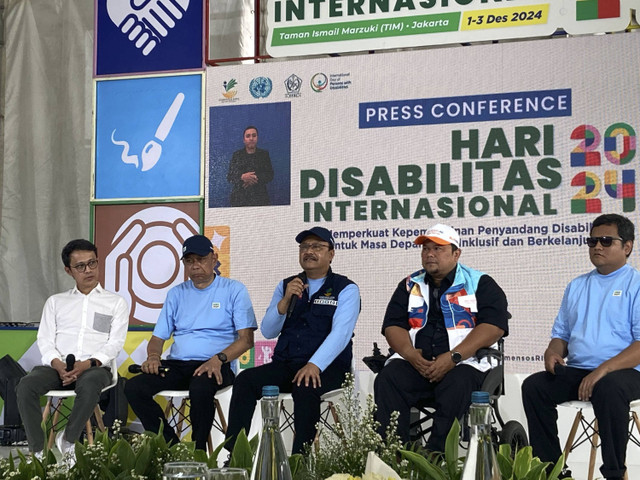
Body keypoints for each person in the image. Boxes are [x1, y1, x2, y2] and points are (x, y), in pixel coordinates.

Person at [522, 214, 640, 480]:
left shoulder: (636, 284)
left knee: (609, 388)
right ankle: (552, 470)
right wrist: (553, 351)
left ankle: (614, 473)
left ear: (627, 247)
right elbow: (561, 335)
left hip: (627, 372)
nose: (597, 246)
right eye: (592, 241)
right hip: (581, 371)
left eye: (606, 241)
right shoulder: (577, 285)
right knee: (534, 386)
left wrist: (601, 372)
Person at [225, 226, 360, 454]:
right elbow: (268, 331)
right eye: (304, 247)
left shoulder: (345, 289)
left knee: (305, 384)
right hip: (287, 365)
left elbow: (341, 334)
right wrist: (285, 300)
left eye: (317, 246)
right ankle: (235, 455)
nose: (309, 251)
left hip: (328, 369)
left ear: (331, 254)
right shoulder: (287, 285)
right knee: (245, 381)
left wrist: (314, 365)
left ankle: (300, 462)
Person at [374, 223, 509, 451]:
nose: (429, 254)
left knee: (459, 382)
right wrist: (410, 355)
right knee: (388, 378)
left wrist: (453, 357)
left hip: (466, 363)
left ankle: (435, 457)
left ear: (456, 253)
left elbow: (494, 326)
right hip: (418, 365)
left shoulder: (480, 283)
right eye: (426, 249)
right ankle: (392, 454)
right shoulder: (409, 285)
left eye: (438, 248)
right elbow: (392, 326)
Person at [124, 234, 257, 451]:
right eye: (189, 261)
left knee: (201, 387)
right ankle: (171, 448)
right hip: (179, 365)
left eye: (201, 259)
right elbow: (158, 338)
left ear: (214, 259)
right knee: (134, 387)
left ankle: (198, 452)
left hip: (217, 364)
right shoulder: (176, 294)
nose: (195, 265)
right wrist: (154, 357)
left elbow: (246, 340)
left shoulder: (234, 290)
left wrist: (218, 359)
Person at [16, 239, 129, 461]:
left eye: (92, 263)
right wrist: (57, 365)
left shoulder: (115, 303)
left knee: (90, 383)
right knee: (25, 385)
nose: (88, 270)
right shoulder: (55, 302)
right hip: (56, 367)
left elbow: (115, 343)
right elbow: (45, 340)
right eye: (80, 266)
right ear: (69, 270)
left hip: (94, 367)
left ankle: (67, 440)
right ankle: (38, 451)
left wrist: (87, 364)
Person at [227, 125, 274, 207]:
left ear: (257, 138)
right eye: (248, 136)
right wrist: (242, 177)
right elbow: (230, 176)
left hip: (260, 198)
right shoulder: (237, 155)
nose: (251, 138)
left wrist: (254, 178)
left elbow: (270, 175)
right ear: (244, 140)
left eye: (254, 135)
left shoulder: (264, 155)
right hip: (239, 199)